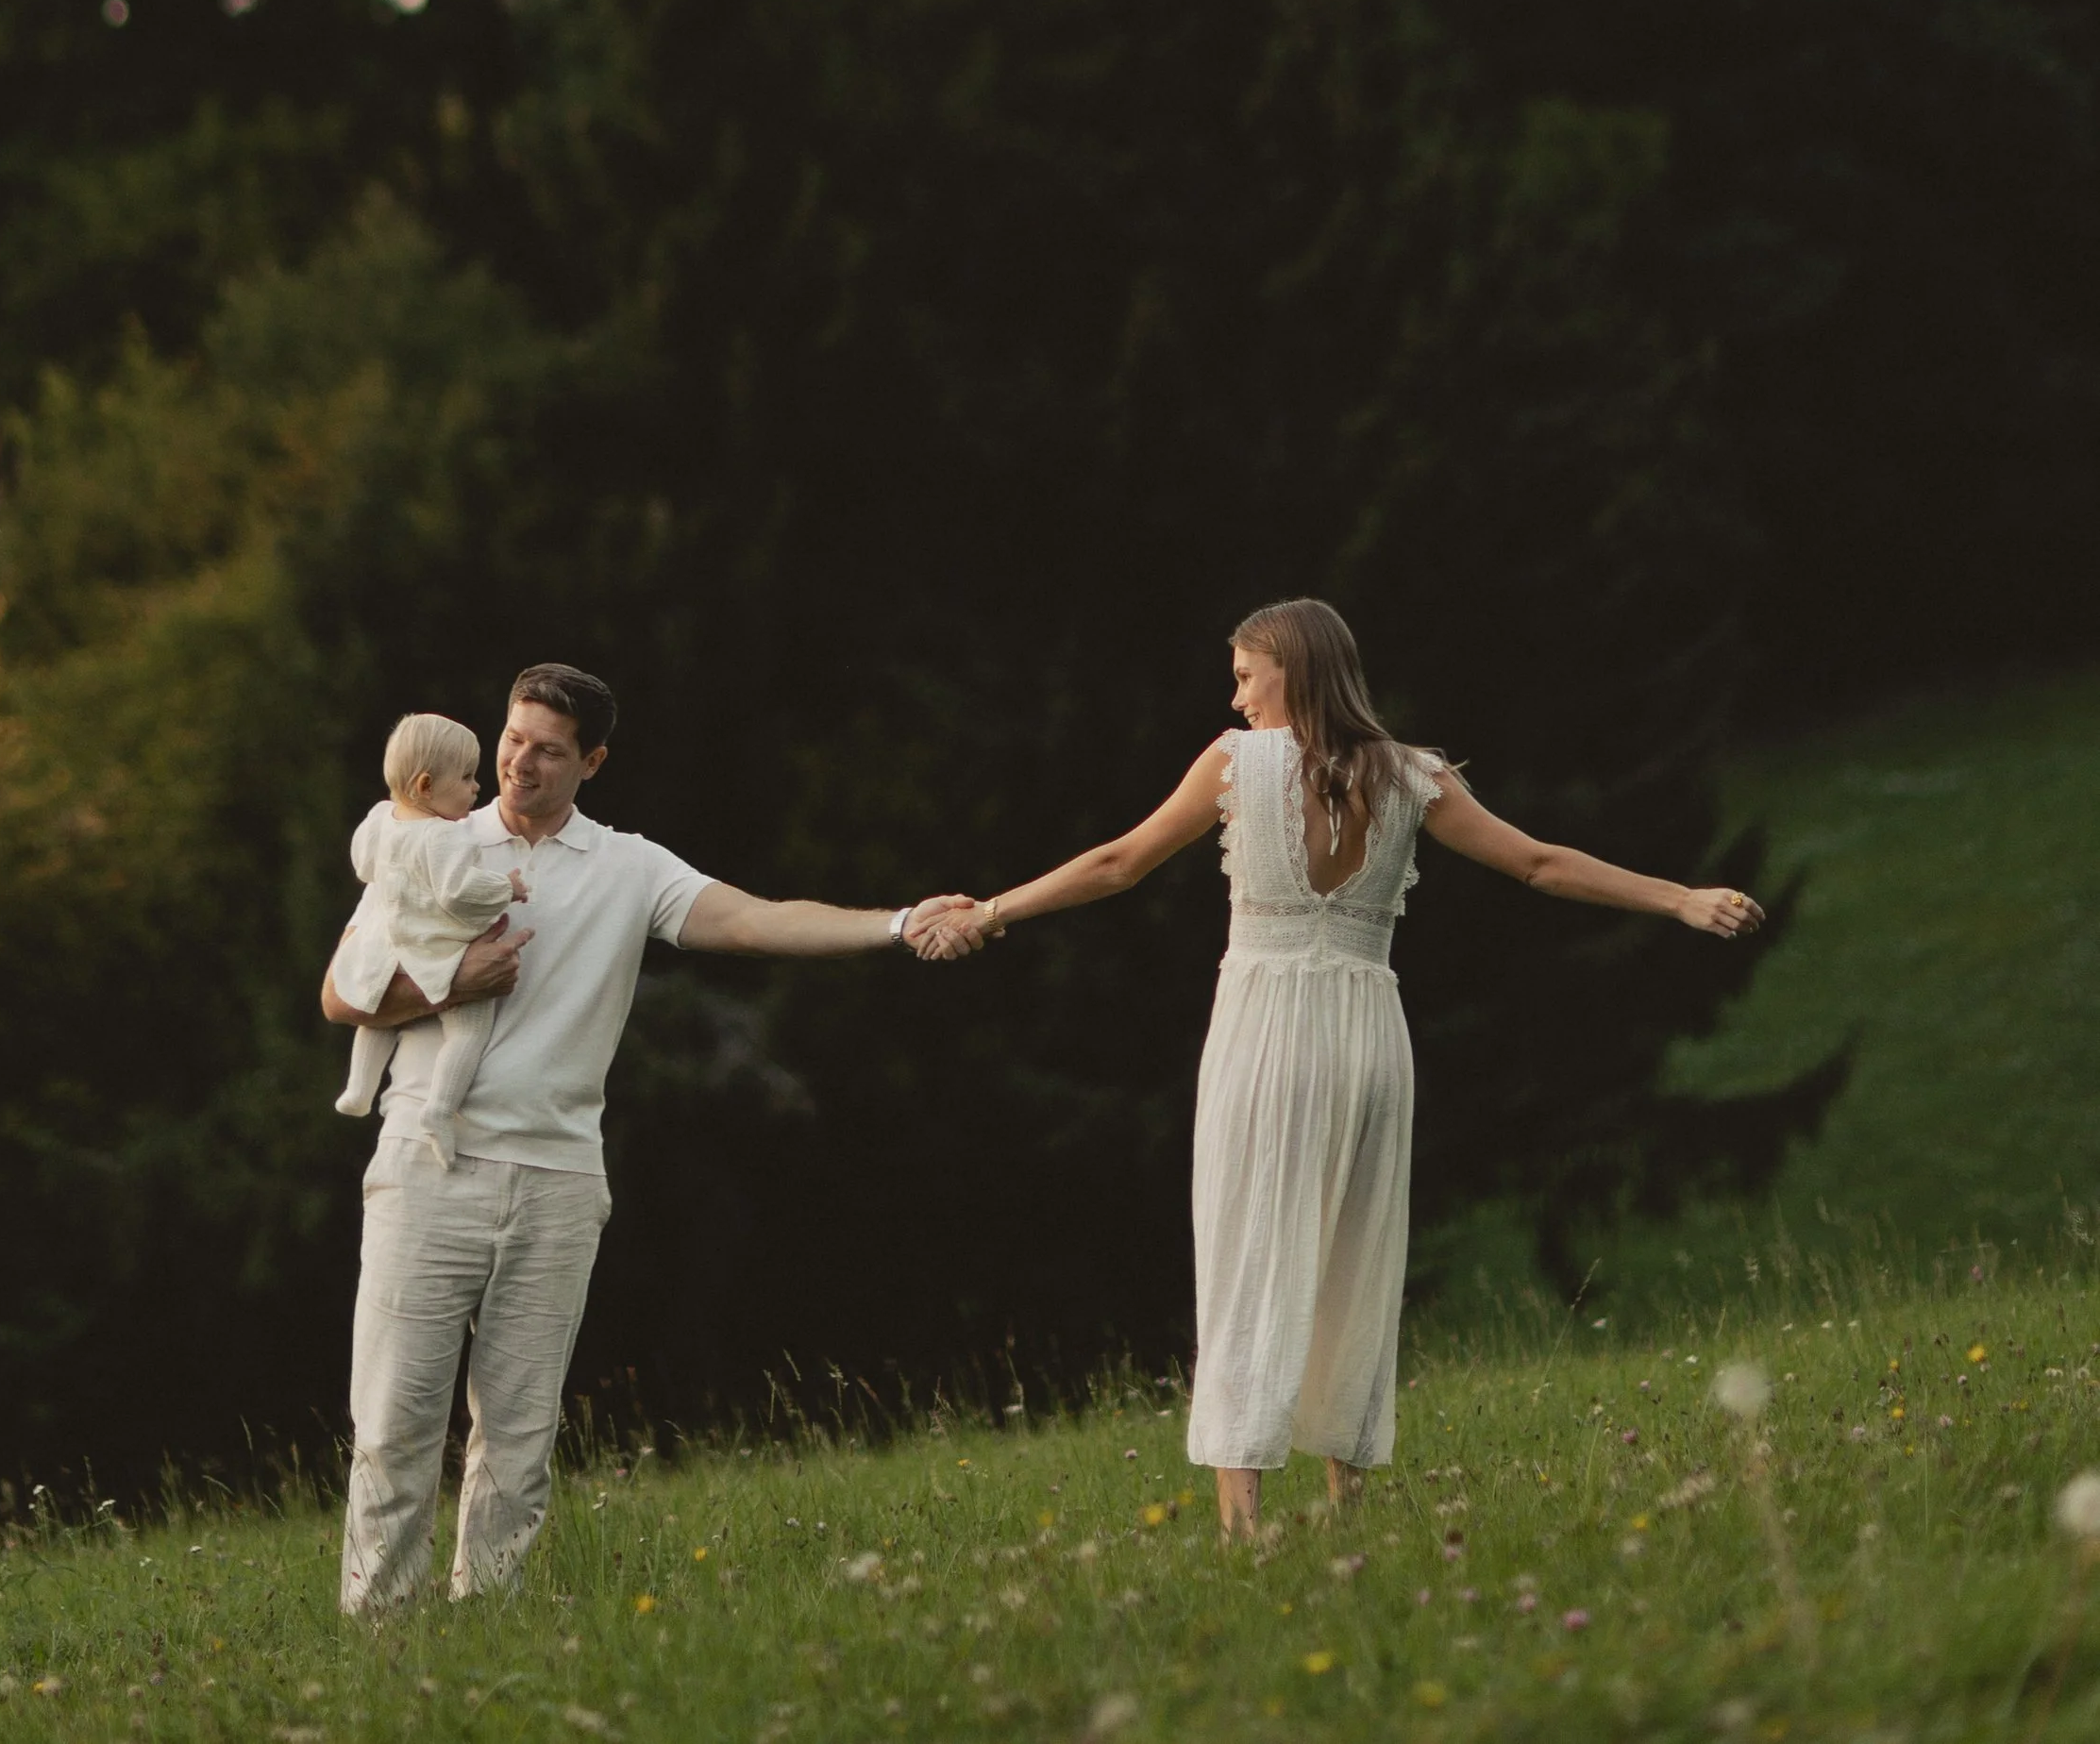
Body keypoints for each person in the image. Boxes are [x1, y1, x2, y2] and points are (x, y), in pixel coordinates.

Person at [912, 596, 1762, 1539]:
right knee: (1357, 1256)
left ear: (1291, 670)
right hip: (1367, 1033)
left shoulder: (1235, 765)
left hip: (1266, 1028)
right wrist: (1680, 898)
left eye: (1245, 676)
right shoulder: (1413, 776)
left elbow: (1119, 862)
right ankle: (1346, 1511)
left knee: (1248, 1256)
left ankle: (1243, 1526)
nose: (1234, 700)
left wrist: (986, 913)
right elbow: (1538, 862)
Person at [321, 658, 976, 1615]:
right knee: (392, 1424)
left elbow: (756, 923)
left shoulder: (631, 868)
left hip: (555, 1181)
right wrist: (452, 985)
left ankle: (486, 1633)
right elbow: (342, 993)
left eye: (547, 752)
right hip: (428, 1167)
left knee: (518, 1435)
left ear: (592, 762)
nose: (519, 765)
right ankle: (379, 1646)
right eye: (510, 742)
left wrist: (899, 922)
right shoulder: (426, 840)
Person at [333, 713, 526, 1162]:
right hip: (436, 948)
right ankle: (439, 1108)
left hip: (388, 945)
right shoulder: (445, 837)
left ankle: (359, 1088)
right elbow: (459, 892)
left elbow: (363, 867)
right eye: (465, 778)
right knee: (470, 1030)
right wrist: (506, 888)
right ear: (424, 786)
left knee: (375, 1007)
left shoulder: (380, 818)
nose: (476, 787)